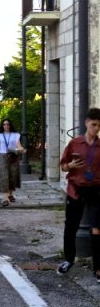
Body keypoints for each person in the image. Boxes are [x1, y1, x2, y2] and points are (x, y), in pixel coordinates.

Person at [57, 107, 100, 283]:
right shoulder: (75, 143)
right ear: (86, 123)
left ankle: (98, 268)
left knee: (97, 229)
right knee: (71, 226)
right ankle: (68, 260)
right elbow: (63, 165)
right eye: (93, 125)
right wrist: (70, 166)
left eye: (98, 126)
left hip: (96, 190)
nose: (96, 128)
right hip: (76, 189)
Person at [0, 118, 25, 206]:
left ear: (10, 125)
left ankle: (10, 194)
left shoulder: (15, 135)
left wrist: (21, 149)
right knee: (4, 177)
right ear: (2, 126)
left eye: (7, 124)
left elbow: (19, 145)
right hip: (3, 157)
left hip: (13, 156)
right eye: (4, 124)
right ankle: (5, 198)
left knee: (12, 176)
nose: (6, 126)